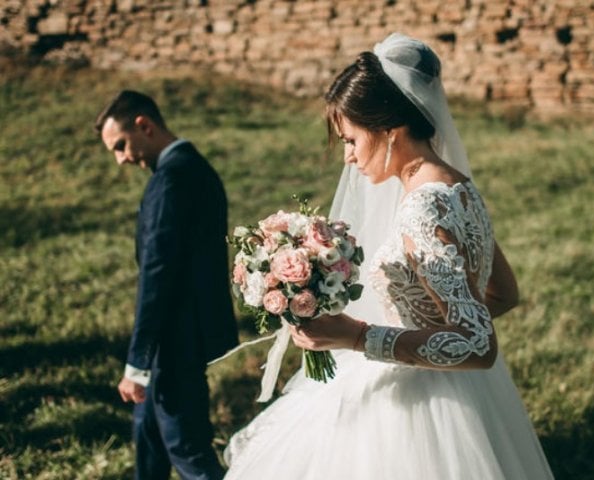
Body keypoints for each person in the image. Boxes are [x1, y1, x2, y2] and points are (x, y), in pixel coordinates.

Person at [223, 33, 553, 479]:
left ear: (389, 132)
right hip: (466, 390)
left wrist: (358, 337)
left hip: (420, 408)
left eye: (351, 140)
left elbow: (477, 344)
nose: (348, 158)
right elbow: (503, 293)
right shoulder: (459, 187)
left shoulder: (422, 210)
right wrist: (433, 331)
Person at [95, 90, 239, 480]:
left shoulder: (172, 180)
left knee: (187, 451)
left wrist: (137, 362)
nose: (121, 158)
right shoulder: (195, 169)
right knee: (150, 440)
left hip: (175, 341)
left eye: (121, 145)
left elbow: (158, 274)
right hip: (183, 335)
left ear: (145, 125)